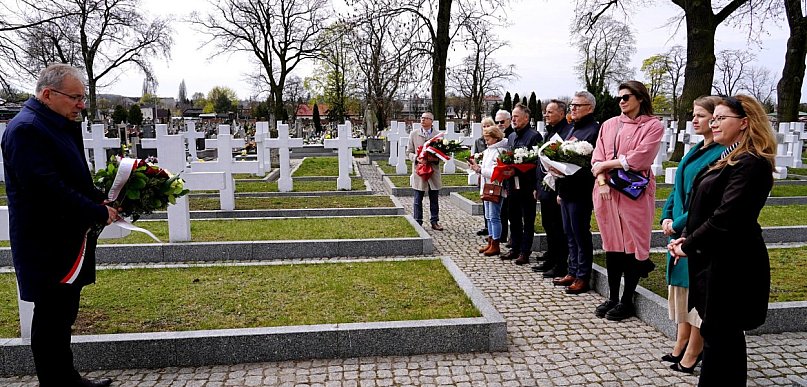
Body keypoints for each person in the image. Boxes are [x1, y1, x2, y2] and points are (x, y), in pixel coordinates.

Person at [2, 64, 117, 387]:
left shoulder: (52, 124)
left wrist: (100, 198)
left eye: (82, 97)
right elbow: (47, 188)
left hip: (64, 238)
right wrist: (95, 211)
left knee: (62, 315)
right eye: (75, 97)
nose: (81, 104)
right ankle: (55, 383)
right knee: (51, 318)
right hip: (46, 242)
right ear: (48, 94)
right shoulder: (27, 129)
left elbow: (71, 177)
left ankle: (65, 379)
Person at [668, 95, 775, 385]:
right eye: (712, 118)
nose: (713, 122)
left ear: (744, 123)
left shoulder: (751, 163)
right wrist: (687, 237)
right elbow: (703, 205)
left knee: (722, 338)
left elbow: (727, 215)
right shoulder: (728, 158)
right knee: (718, 335)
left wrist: (687, 244)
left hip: (733, 263)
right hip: (714, 260)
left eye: (720, 118)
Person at [660, 96, 725, 374]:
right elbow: (678, 188)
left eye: (701, 115)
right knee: (682, 289)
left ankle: (694, 349)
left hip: (697, 229)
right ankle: (682, 341)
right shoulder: (697, 148)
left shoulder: (722, 152)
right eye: (694, 115)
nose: (694, 120)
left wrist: (679, 223)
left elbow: (706, 200)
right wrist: (667, 214)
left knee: (696, 291)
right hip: (681, 227)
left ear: (716, 118)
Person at [591, 80, 663, 321]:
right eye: (619, 97)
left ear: (640, 98)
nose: (622, 101)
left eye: (627, 97)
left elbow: (640, 158)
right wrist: (601, 178)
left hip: (635, 193)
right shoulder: (609, 125)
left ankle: (627, 299)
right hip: (606, 193)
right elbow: (597, 156)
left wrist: (606, 165)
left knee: (632, 244)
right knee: (612, 244)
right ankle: (613, 297)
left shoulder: (653, 126)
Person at [550, 92, 600, 294]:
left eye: (577, 105)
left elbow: (593, 163)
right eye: (572, 105)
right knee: (569, 233)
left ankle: (582, 275)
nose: (573, 109)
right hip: (567, 189)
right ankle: (572, 271)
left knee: (580, 234)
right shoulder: (572, 129)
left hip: (582, 190)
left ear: (590, 107)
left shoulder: (594, 130)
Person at [532, 100, 571, 278]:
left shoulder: (567, 132)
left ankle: (560, 264)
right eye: (545, 112)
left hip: (558, 188)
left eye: (550, 112)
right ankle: (551, 259)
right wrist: (537, 186)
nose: (546, 115)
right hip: (546, 186)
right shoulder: (550, 132)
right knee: (548, 225)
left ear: (561, 113)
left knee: (558, 228)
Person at [500, 103, 543, 265]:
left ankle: (525, 251)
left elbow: (536, 162)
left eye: (517, 116)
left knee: (528, 220)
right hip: (512, 185)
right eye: (512, 116)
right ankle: (515, 248)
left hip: (527, 185)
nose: (513, 119)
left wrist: (534, 185)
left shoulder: (534, 136)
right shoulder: (511, 136)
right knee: (514, 218)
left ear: (526, 118)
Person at [471, 122, 509, 256]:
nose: (486, 141)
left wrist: (480, 169)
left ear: (496, 138)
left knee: (494, 217)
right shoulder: (488, 151)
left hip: (495, 188)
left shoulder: (500, 152)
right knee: (488, 216)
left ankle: (496, 244)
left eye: (488, 139)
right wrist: (477, 169)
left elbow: (496, 172)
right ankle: (491, 241)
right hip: (486, 187)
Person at [407, 111, 444, 230]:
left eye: (426, 118)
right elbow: (409, 152)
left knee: (434, 198)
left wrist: (434, 158)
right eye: (422, 118)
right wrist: (417, 158)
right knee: (418, 198)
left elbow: (442, 154)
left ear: (431, 121)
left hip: (433, 170)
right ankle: (418, 221)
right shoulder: (414, 134)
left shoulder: (438, 136)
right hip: (420, 170)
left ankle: (434, 221)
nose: (423, 120)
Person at [494, 109, 514, 246]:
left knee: (510, 210)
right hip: (500, 177)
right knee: (502, 209)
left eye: (502, 121)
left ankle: (510, 237)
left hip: (511, 177)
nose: (500, 124)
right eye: (497, 122)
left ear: (509, 120)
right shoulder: (499, 135)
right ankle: (501, 235)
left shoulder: (512, 135)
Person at [473, 118, 492, 236]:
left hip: (492, 175)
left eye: (488, 125)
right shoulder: (478, 141)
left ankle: (493, 229)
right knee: (484, 199)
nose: (486, 128)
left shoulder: (497, 141)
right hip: (482, 174)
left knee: (493, 201)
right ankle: (486, 225)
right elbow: (474, 156)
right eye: (484, 126)